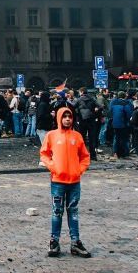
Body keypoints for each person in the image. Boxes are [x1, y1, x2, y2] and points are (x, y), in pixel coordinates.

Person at [40, 107, 92, 258]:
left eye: (70, 116)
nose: (68, 119)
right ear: (59, 118)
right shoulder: (51, 135)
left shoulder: (77, 136)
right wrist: (52, 166)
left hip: (74, 181)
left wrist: (79, 169)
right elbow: (44, 154)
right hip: (58, 180)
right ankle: (54, 241)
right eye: (65, 116)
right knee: (57, 211)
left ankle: (75, 242)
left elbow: (85, 156)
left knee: (73, 212)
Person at [109, 91, 133, 159]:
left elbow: (110, 111)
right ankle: (124, 153)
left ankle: (115, 152)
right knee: (124, 138)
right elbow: (129, 114)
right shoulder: (127, 103)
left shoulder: (113, 102)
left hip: (115, 123)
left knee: (116, 137)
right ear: (125, 96)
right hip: (124, 123)